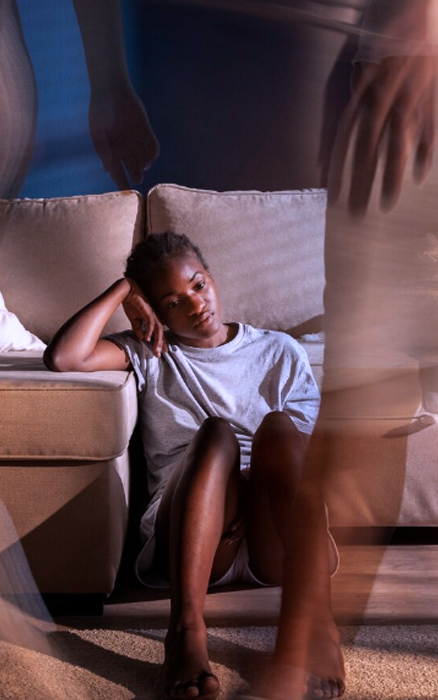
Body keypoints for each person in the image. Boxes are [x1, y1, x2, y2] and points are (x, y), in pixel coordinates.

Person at [43, 230, 341, 700]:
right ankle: (185, 632)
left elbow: (303, 458)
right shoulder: (149, 351)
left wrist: (248, 491)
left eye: (198, 285)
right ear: (155, 312)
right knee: (215, 433)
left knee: (281, 428)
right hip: (195, 536)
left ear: (211, 278)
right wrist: (124, 290)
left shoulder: (280, 350)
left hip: (273, 533)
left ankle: (316, 624)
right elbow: (64, 357)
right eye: (172, 302)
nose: (196, 304)